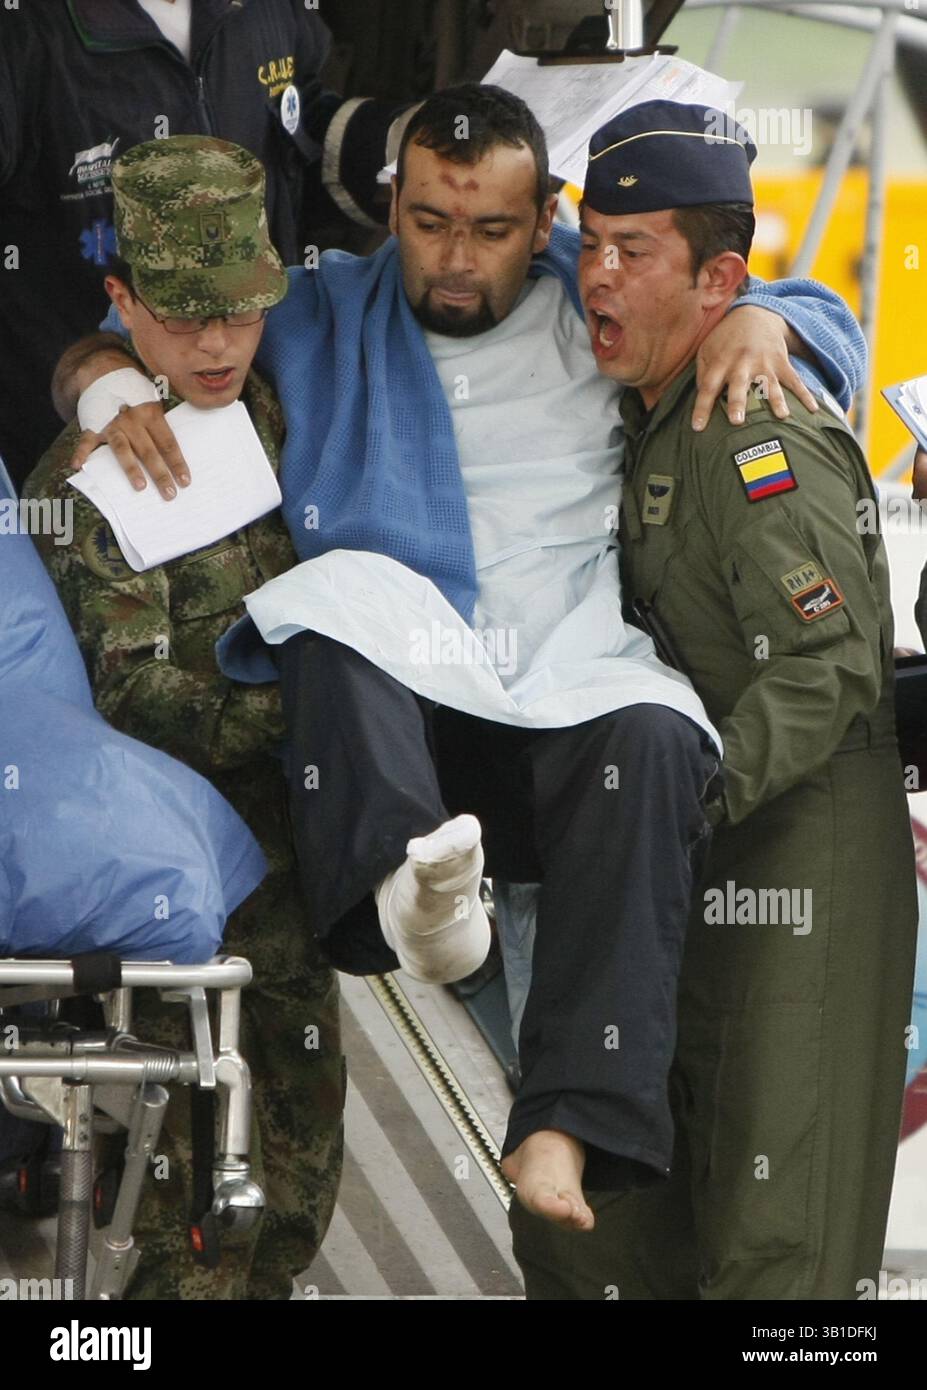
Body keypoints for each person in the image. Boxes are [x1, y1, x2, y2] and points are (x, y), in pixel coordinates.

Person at [54, 85, 867, 1237]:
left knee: (653, 730)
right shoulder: (325, 310)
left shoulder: (595, 300)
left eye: (491, 230)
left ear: (545, 225)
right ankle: (410, 893)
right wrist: (96, 376)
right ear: (393, 207)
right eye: (430, 220)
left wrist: (770, 323)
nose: (454, 257)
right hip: (409, 687)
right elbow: (160, 323)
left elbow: (792, 305)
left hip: (568, 661)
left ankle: (566, 1121)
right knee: (329, 606)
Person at [508, 99, 919, 1299]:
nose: (598, 275)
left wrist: (689, 786)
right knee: (623, 1228)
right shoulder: (649, 410)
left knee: (773, 1244)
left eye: (635, 253)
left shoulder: (753, 428)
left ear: (719, 278)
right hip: (694, 872)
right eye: (591, 243)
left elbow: (835, 660)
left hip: (804, 871)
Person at [22, 135, 344, 1300]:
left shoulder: (296, 412)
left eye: (241, 314)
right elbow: (124, 703)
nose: (215, 346)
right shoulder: (89, 479)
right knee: (178, 1212)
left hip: (295, 884)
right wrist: (317, 710)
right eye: (183, 317)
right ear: (123, 302)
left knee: (299, 1184)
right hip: (169, 898)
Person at [0, 0, 411, 490]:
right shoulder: (22, 28)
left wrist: (403, 145)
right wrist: (89, 375)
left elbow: (299, 127)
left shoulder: (269, 12)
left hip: (260, 419)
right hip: (85, 436)